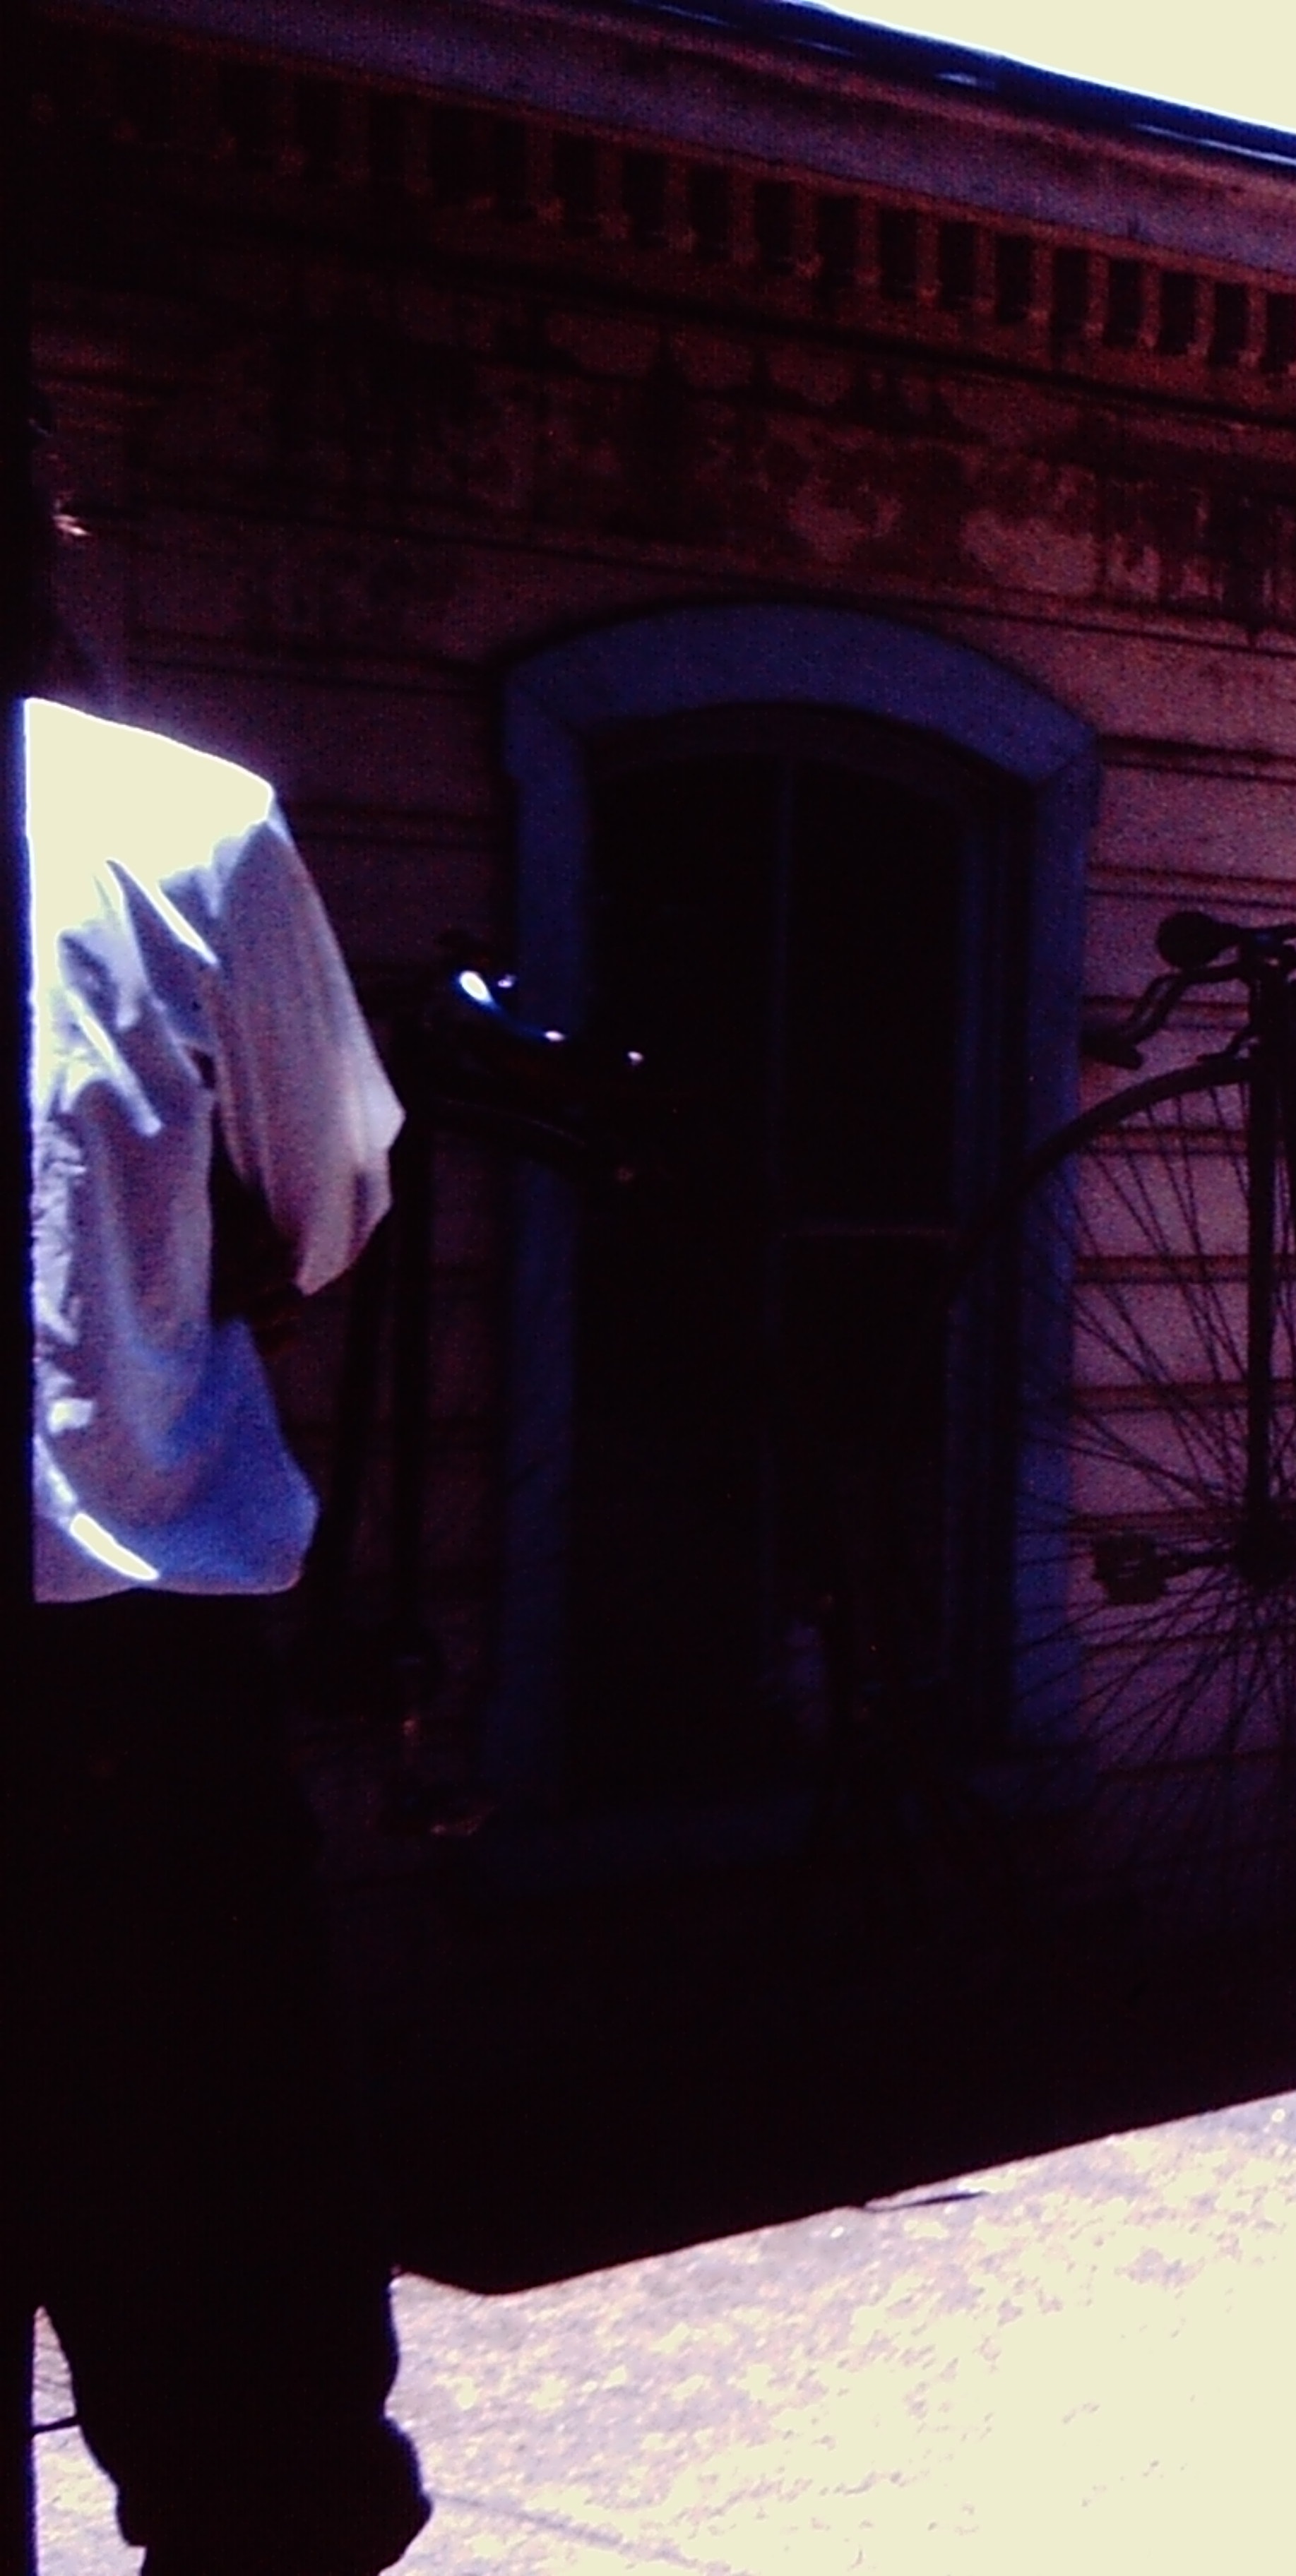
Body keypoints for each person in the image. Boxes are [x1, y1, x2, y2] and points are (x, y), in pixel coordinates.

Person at [20, 641, 435, 2563]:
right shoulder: (175, 828)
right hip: (118, 1729)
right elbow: (336, 1186)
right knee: (252, 2430)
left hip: (125, 1729)